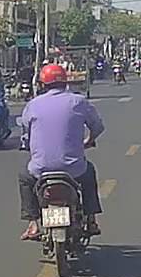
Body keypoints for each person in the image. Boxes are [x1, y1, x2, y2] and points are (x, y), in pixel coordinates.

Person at [17, 64, 105, 241]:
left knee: (25, 178)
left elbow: (26, 133)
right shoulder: (78, 102)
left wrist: (27, 145)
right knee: (89, 173)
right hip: (74, 169)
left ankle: (33, 223)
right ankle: (91, 219)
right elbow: (97, 127)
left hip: (41, 169)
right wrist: (89, 140)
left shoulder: (33, 105)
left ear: (42, 84)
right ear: (65, 82)